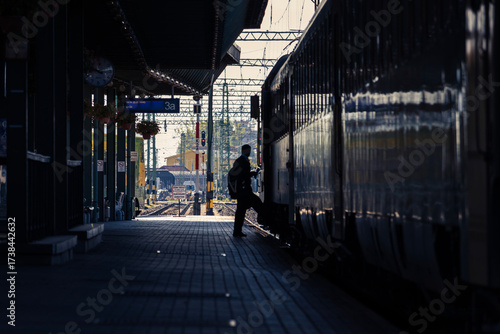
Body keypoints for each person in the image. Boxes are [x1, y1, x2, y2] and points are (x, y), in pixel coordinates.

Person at [231, 144, 264, 237]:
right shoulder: (242, 161)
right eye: (249, 151)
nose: (250, 152)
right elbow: (242, 176)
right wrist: (251, 173)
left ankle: (237, 231)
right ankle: (265, 218)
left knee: (241, 211)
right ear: (245, 151)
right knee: (254, 204)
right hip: (243, 191)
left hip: (242, 190)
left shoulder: (240, 161)